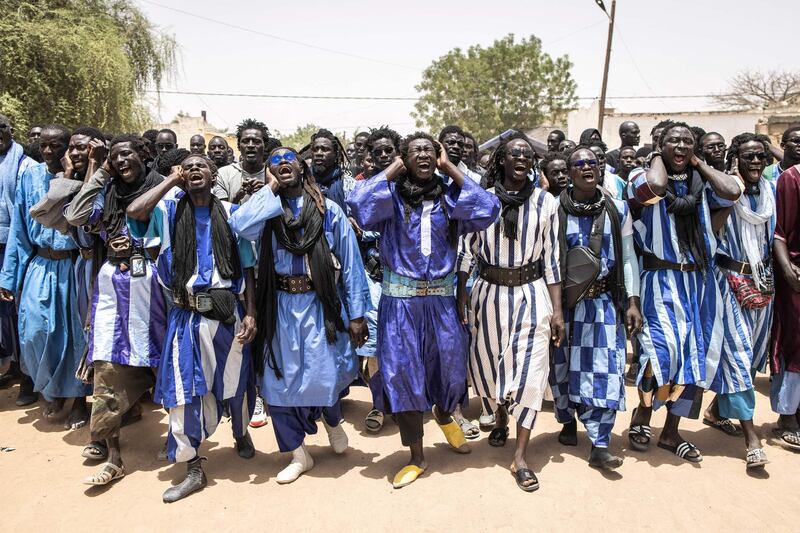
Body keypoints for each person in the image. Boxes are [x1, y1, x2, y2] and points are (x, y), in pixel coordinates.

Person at [347, 132, 500, 489]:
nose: (423, 156)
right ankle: (416, 456)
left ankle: (446, 416)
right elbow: (356, 202)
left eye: (430, 151)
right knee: (403, 374)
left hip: (442, 303)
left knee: (448, 367)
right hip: (400, 304)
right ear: (405, 158)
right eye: (415, 151)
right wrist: (395, 165)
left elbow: (488, 208)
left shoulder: (451, 198)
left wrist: (450, 167)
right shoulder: (391, 199)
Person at [229, 146, 370, 483]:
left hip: (320, 302)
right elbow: (239, 224)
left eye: (288, 159)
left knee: (324, 375)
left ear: (303, 167)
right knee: (277, 382)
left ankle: (333, 421)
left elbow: (351, 265)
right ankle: (297, 453)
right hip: (277, 305)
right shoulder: (265, 211)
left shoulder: (328, 211)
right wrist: (271, 189)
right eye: (274, 162)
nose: (282, 165)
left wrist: (356, 314)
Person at [126, 154, 258, 503]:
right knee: (184, 393)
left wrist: (251, 314)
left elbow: (247, 267)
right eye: (189, 166)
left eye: (202, 165)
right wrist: (170, 181)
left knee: (238, 383)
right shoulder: (167, 212)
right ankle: (193, 467)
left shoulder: (231, 213)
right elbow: (133, 213)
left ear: (215, 174)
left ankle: (241, 433)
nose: (195, 169)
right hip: (186, 318)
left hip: (227, 314)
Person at [625, 122, 742, 462]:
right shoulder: (640, 174)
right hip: (661, 279)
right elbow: (656, 186)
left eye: (687, 141)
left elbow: (732, 191)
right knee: (659, 355)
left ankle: (671, 432)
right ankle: (643, 415)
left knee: (692, 360)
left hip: (699, 283)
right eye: (672, 140)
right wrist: (660, 155)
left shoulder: (702, 180)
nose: (680, 145)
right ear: (659, 144)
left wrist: (699, 163)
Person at [457, 132, 564, 491]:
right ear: (501, 160)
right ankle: (500, 417)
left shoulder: (547, 204)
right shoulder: (481, 200)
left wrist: (558, 311)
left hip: (532, 297)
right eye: (513, 153)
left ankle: (520, 457)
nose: (521, 158)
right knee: (489, 367)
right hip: (487, 295)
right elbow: (467, 251)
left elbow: (552, 261)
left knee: (532, 374)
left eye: (526, 154)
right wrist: (461, 295)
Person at [64, 134, 167, 485]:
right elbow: (77, 215)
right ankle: (114, 455)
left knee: (164, 363)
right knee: (107, 365)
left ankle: (184, 439)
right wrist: (100, 171)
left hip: (153, 289)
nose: (122, 162)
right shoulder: (106, 193)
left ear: (145, 156)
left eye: (129, 155)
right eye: (116, 157)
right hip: (111, 288)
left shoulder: (163, 191)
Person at [550, 145, 642, 470]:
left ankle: (600, 444)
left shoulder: (617, 209)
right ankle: (568, 422)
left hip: (603, 303)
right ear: (569, 171)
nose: (587, 167)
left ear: (600, 169)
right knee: (561, 366)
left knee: (604, 369)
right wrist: (555, 309)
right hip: (565, 305)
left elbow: (628, 257)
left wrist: (632, 301)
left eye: (592, 162)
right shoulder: (555, 209)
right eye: (579, 163)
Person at [0, 124, 91, 426]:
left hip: (74, 265)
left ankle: (78, 400)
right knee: (35, 332)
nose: (50, 151)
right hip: (40, 265)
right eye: (45, 146)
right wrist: (9, 276)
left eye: (58, 146)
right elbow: (19, 231)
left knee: (77, 336)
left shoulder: (82, 177)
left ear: (70, 147)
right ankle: (51, 392)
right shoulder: (30, 175)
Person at [702, 133, 773, 468]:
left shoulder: (770, 194)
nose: (756, 162)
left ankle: (716, 409)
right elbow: (709, 233)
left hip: (763, 283)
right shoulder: (725, 190)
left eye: (760, 156)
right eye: (748, 157)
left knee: (753, 357)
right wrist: (731, 201)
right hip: (729, 281)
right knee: (740, 352)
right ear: (736, 160)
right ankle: (751, 438)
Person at [0, 114, 35, 394]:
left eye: (2, 128)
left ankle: (27, 376)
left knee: (20, 313)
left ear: (12, 131)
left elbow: (24, 221)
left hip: (18, 247)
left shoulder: (26, 167)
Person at [770, 138, 800, 450]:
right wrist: (788, 269)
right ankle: (787, 415)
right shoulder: (791, 179)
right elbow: (780, 230)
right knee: (794, 342)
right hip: (796, 275)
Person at [213, 118, 268, 204]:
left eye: (256, 142)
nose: (250, 145)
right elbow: (222, 213)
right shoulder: (224, 174)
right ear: (238, 146)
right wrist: (238, 196)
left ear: (265, 146)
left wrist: (267, 192)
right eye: (245, 141)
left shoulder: (273, 175)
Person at [309, 128, 352, 212]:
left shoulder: (348, 185)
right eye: (315, 149)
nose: (319, 153)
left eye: (324, 149)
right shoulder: (303, 183)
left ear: (336, 155)